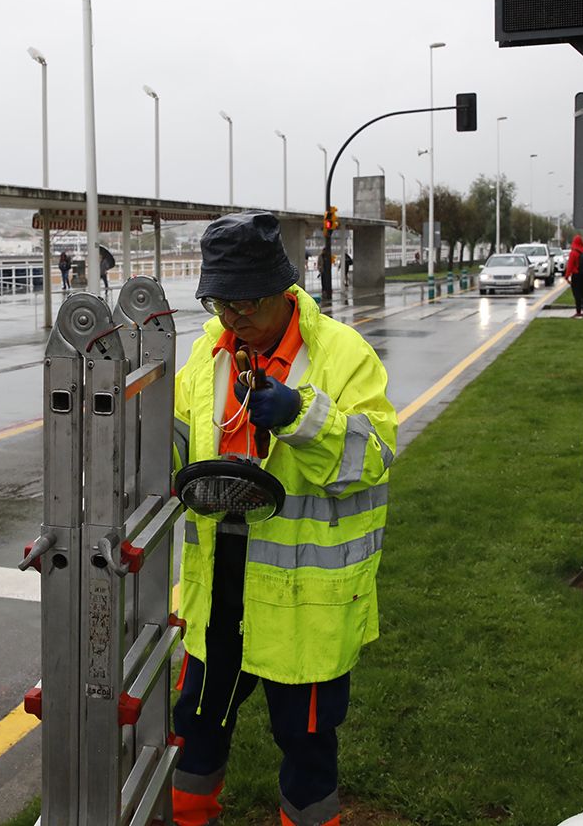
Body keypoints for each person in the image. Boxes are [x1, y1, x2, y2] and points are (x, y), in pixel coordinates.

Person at [171, 211, 397, 826]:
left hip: (306, 605)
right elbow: (176, 446)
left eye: (246, 302)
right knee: (195, 727)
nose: (233, 316)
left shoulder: (343, 356)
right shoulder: (204, 356)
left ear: (283, 290)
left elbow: (373, 457)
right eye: (220, 301)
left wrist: (302, 417)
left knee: (306, 745)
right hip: (217, 591)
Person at [563, 234, 583, 318]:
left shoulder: (573, 253)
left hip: (576, 275)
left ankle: (578, 311)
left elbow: (570, 266)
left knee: (577, 293)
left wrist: (567, 276)